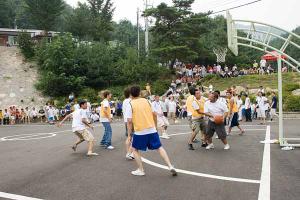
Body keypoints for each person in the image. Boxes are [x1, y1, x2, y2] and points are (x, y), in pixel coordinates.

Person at [125, 86, 177, 176]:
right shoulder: (147, 101)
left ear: (130, 94)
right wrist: (155, 126)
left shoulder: (130, 104)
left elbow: (129, 121)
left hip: (140, 131)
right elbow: (154, 115)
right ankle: (170, 166)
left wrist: (129, 135)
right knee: (159, 147)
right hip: (151, 129)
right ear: (139, 92)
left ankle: (141, 170)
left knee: (134, 149)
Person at [122, 87, 134, 160]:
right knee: (132, 137)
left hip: (126, 120)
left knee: (129, 136)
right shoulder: (130, 100)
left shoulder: (124, 101)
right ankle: (129, 153)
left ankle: (129, 153)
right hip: (130, 120)